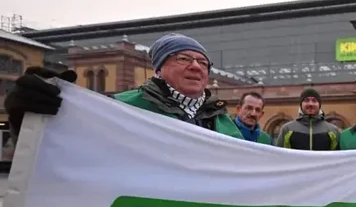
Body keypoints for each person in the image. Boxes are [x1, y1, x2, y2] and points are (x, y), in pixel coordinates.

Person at [4, 33, 242, 140]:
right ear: (158, 69)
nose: (195, 67)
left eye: (202, 62)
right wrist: (26, 119)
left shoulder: (223, 119)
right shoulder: (122, 107)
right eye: (182, 59)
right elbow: (64, 149)